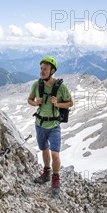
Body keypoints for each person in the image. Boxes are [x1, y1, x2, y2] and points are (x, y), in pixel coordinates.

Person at [27, 56, 74, 195]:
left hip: (54, 125)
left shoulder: (61, 87)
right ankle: (46, 173)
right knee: (44, 149)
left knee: (55, 154)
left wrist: (57, 104)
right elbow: (29, 99)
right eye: (41, 68)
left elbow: (70, 103)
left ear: (52, 70)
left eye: (45, 69)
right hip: (40, 123)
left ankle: (55, 178)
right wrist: (36, 103)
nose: (42, 71)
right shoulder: (37, 85)